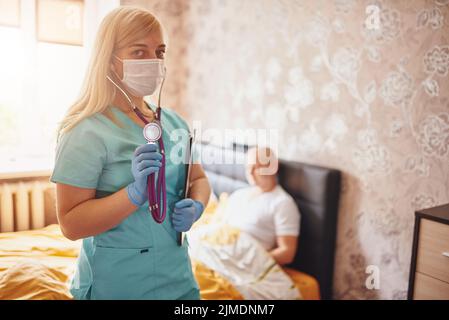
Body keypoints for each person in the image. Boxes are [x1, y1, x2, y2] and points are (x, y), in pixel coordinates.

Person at [50, 6, 211, 300]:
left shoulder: (174, 123)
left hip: (178, 281)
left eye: (160, 52)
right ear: (110, 61)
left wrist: (198, 205)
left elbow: (198, 178)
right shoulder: (84, 130)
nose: (153, 61)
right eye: (139, 52)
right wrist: (134, 194)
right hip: (117, 284)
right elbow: (71, 225)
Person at [224, 147, 300, 265]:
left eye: (256, 167)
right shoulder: (239, 195)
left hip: (243, 260)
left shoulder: (282, 203)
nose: (250, 172)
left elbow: (287, 253)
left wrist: (248, 261)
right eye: (248, 167)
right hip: (221, 249)